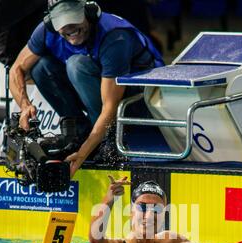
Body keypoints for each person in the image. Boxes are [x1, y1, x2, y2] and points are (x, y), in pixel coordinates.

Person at [9, 0, 164, 178]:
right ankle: (76, 132)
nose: (70, 28)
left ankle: (109, 139)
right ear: (52, 24)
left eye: (75, 19)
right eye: (62, 23)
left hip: (141, 101)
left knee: (77, 65)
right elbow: (16, 69)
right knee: (41, 66)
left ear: (90, 13)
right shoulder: (45, 31)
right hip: (101, 93)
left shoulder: (115, 37)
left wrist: (83, 154)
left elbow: (109, 107)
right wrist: (24, 105)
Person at [89, 176, 225, 243]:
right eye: (142, 207)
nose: (149, 215)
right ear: (131, 212)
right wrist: (109, 198)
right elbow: (95, 238)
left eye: (156, 209)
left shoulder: (170, 242)